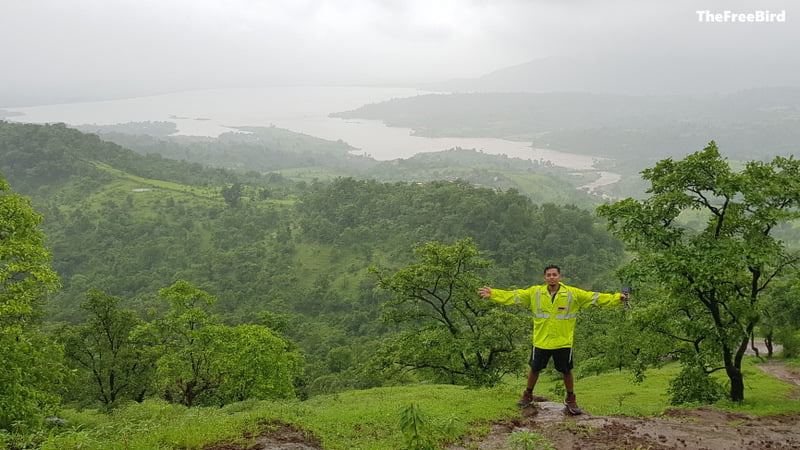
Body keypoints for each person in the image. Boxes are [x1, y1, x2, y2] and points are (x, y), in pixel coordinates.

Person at [477, 264, 630, 414]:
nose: (551, 277)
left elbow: (595, 298)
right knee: (535, 368)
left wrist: (618, 298)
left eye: (554, 275)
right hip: (541, 340)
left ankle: (571, 399)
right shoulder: (535, 293)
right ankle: (528, 395)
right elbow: (514, 296)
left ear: (559, 277)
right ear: (545, 277)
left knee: (566, 371)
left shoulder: (572, 294)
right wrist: (494, 294)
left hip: (563, 341)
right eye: (549, 275)